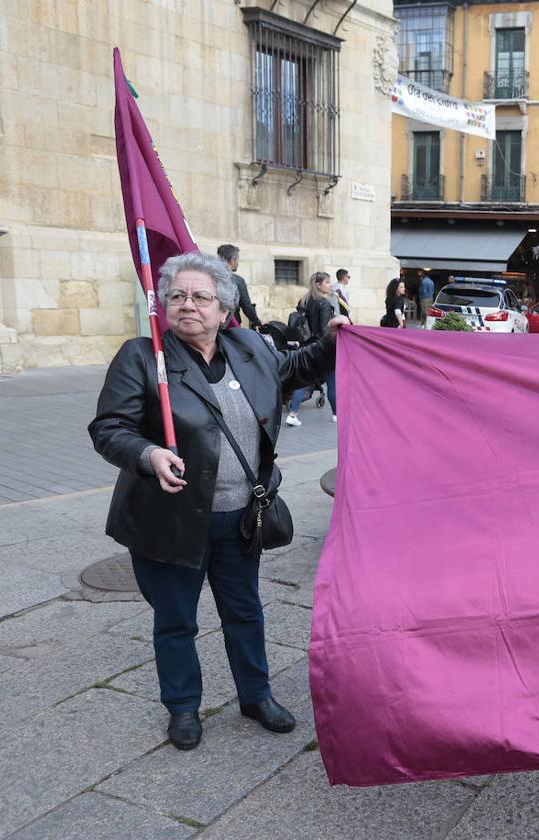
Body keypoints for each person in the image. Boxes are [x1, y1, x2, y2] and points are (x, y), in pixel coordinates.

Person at [89, 251, 347, 751]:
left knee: (245, 612)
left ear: (224, 308)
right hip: (171, 520)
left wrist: (330, 343)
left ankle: (256, 695)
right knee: (176, 619)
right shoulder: (144, 357)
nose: (188, 305)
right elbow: (108, 428)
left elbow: (292, 370)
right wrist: (146, 453)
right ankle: (183, 707)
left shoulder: (249, 346)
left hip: (239, 518)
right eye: (177, 296)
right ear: (163, 305)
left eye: (201, 296)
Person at [285, 272, 336, 426]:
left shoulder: (305, 300)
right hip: (322, 347)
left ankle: (293, 414)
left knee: (303, 380)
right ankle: (336, 414)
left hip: (307, 345)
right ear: (319, 285)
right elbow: (323, 330)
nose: (330, 285)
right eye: (327, 282)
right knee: (332, 381)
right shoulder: (324, 303)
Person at [216, 244, 261, 329]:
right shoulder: (238, 281)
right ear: (232, 260)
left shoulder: (210, 277)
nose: (237, 263)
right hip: (232, 326)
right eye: (237, 260)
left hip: (213, 324)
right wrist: (257, 321)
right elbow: (246, 306)